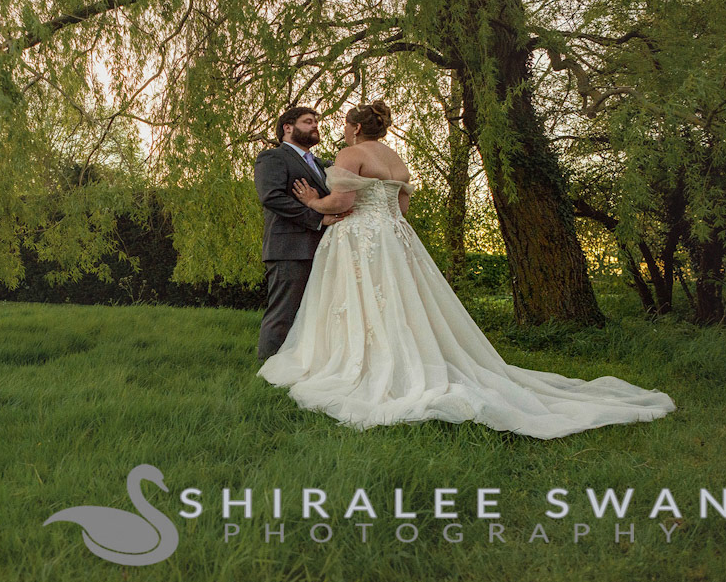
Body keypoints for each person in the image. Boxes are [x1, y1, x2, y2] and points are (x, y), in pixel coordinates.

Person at [256, 100, 676, 439]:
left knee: (361, 301)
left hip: (360, 239)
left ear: (354, 127)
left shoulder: (351, 152)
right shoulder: (395, 159)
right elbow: (401, 206)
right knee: (399, 301)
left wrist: (314, 203)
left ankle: (358, 363)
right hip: (395, 238)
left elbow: (342, 204)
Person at [252, 106, 350, 363]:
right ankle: (269, 368)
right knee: (283, 312)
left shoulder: (322, 164)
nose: (315, 126)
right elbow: (271, 197)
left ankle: (303, 365)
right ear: (288, 127)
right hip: (290, 249)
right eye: (308, 122)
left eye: (316, 122)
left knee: (317, 314)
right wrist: (317, 217)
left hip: (324, 247)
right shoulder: (272, 158)